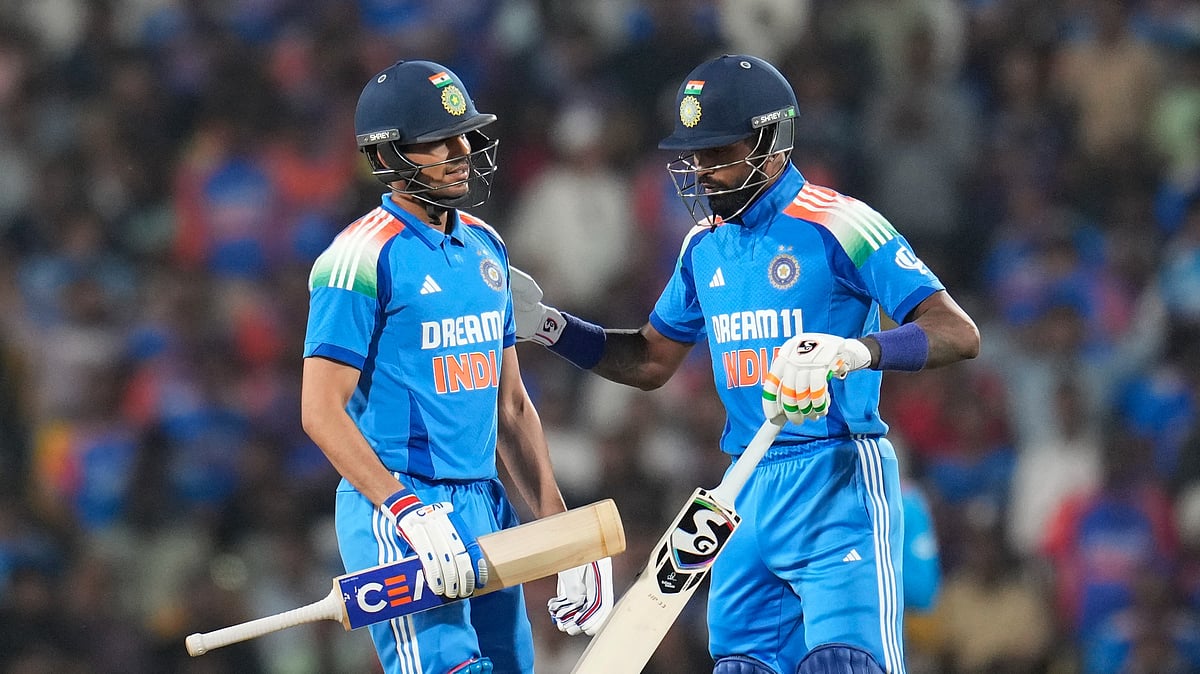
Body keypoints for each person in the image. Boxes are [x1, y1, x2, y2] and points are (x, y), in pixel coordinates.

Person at [512, 53, 980, 674]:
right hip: (743, 488)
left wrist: (856, 351)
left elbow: (957, 331)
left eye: (718, 151)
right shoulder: (703, 244)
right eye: (695, 154)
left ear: (771, 140)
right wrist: (549, 327)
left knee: (847, 664)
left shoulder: (839, 222)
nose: (701, 171)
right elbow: (652, 360)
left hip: (837, 477)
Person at [301, 59, 612, 674]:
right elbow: (319, 410)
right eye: (438, 139)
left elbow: (512, 405)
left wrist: (559, 527)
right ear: (389, 153)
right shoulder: (357, 258)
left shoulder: (486, 246)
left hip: (485, 502)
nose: (461, 148)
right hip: (398, 505)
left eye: (464, 133)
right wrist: (402, 508)